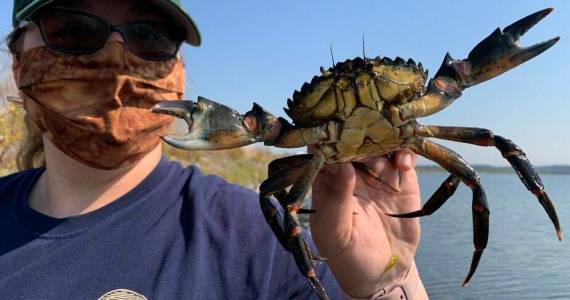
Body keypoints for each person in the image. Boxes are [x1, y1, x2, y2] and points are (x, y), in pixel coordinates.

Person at [0, 0, 428, 299]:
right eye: (73, 31)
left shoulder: (265, 241)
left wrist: (388, 281)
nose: (116, 52)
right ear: (17, 64)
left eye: (148, 36)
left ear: (179, 73)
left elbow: (381, 280)